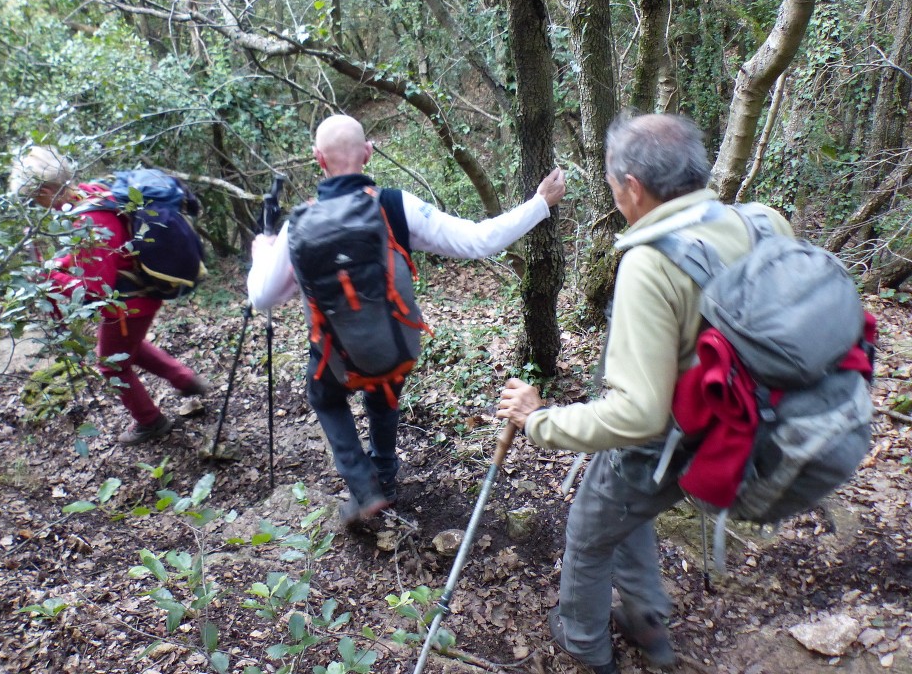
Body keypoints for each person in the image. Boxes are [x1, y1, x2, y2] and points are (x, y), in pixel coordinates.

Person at [496, 113, 794, 673]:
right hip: (748, 428)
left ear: (632, 187)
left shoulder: (651, 263)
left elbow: (638, 415)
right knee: (621, 510)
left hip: (672, 445)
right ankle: (646, 621)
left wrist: (540, 419)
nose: (617, 199)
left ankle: (584, 642)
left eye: (613, 188)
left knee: (589, 527)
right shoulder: (762, 223)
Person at [247, 114, 565, 526]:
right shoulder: (396, 206)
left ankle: (364, 488)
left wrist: (262, 252)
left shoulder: (298, 227)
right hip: (395, 348)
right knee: (382, 387)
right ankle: (386, 479)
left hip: (337, 356)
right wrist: (540, 202)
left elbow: (263, 296)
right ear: (367, 153)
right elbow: (477, 240)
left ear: (317, 160)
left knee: (324, 395)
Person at [8, 146, 209, 445]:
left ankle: (150, 421)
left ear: (48, 190)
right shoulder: (93, 193)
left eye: (35, 197)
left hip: (128, 305)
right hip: (139, 296)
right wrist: (59, 265)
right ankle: (184, 379)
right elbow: (94, 257)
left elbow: (94, 291)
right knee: (129, 348)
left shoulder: (91, 222)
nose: (37, 205)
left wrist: (48, 277)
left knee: (111, 363)